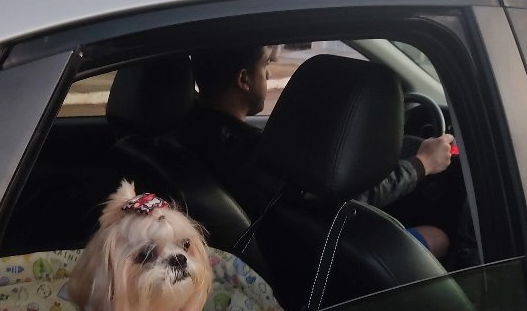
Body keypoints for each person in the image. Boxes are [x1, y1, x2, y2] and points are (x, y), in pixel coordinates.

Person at [181, 45, 453, 259]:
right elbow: (348, 198)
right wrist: (423, 163)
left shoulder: (188, 134)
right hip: (301, 259)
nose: (267, 74)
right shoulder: (256, 155)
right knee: (439, 237)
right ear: (243, 79)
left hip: (270, 249)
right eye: (265, 64)